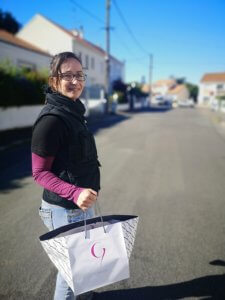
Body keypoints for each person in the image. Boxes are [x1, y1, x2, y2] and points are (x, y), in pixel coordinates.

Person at [31, 52, 101, 300]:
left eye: (79, 75)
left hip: (81, 205)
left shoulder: (72, 111)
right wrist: (75, 192)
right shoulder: (51, 120)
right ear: (54, 81)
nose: (75, 81)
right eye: (67, 75)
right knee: (71, 273)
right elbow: (39, 173)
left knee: (85, 264)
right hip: (65, 209)